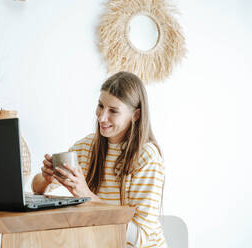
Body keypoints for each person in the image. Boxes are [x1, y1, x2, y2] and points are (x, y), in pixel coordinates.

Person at [32, 71, 167, 248]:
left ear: (135, 115)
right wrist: (47, 179)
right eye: (100, 106)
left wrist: (86, 195)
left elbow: (140, 238)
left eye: (113, 111)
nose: (102, 117)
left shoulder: (147, 158)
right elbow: (36, 188)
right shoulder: (86, 147)